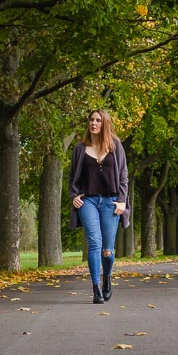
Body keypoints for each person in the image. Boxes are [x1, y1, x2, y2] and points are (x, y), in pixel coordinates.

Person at [68, 109, 129, 304]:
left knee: (107, 250)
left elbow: (123, 176)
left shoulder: (116, 146)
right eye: (91, 120)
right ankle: (96, 289)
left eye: (98, 120)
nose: (93, 123)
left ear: (105, 124)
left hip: (111, 202)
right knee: (95, 243)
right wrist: (74, 196)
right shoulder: (80, 148)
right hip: (89, 202)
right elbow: (72, 177)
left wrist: (122, 200)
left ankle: (107, 279)